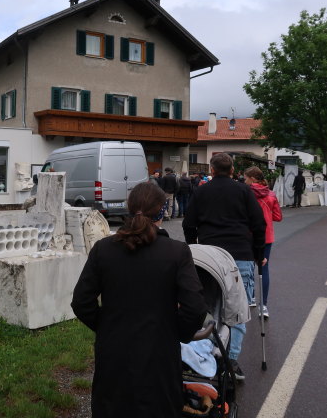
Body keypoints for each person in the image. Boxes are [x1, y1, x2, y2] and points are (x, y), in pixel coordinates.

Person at [72, 182, 208, 417]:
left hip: (113, 350)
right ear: (162, 211)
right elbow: (195, 308)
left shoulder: (103, 249)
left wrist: (106, 326)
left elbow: (81, 302)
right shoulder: (176, 252)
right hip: (160, 352)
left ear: (129, 208)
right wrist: (176, 332)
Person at [182, 153, 266, 381]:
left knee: (208, 308)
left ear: (211, 169)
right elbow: (259, 223)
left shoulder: (201, 191)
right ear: (232, 170)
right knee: (237, 311)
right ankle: (231, 362)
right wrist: (258, 253)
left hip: (209, 258)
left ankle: (208, 356)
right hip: (240, 255)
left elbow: (188, 223)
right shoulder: (243, 191)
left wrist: (194, 250)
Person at [244, 166, 282, 318]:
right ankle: (264, 306)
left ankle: (251, 297)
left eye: (246, 178)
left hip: (248, 235)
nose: (244, 181)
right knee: (263, 269)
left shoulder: (246, 194)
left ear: (252, 179)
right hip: (266, 237)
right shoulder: (271, 194)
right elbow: (278, 217)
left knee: (248, 267)